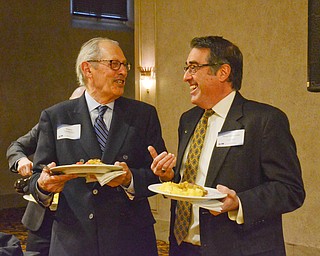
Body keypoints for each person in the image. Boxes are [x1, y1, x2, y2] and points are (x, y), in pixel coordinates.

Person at [148, 36, 305, 256]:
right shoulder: (188, 120)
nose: (185, 77)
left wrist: (239, 202)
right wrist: (169, 177)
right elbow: (196, 181)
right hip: (182, 247)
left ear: (223, 72)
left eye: (193, 67)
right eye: (186, 68)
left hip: (237, 248)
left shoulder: (264, 120)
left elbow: (291, 190)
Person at [28, 37, 166, 256]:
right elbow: (37, 179)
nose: (123, 71)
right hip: (73, 239)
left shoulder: (143, 115)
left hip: (130, 238)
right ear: (87, 69)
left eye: (124, 65)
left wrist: (130, 180)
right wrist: (45, 185)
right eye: (114, 64)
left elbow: (157, 175)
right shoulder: (56, 116)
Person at [6, 86, 85, 256]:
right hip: (41, 216)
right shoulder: (54, 121)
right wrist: (21, 160)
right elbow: (16, 146)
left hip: (76, 218)